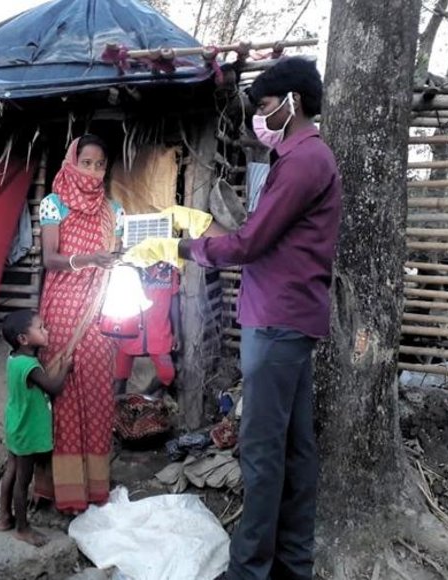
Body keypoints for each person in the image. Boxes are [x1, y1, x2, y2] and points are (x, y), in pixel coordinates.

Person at [181, 57, 341, 580]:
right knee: (294, 450)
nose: (261, 117)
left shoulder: (302, 162)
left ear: (292, 103)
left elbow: (252, 242)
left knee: (262, 452)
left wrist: (188, 247)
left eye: (267, 107)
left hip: (276, 321)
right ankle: (293, 564)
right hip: (287, 318)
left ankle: (249, 570)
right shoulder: (302, 160)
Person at [37, 133, 124, 513]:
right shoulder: (52, 204)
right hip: (62, 308)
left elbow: (118, 254)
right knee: (64, 394)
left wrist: (118, 257)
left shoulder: (114, 210)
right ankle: (59, 489)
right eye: (86, 162)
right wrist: (89, 259)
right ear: (72, 162)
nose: (92, 171)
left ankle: (93, 486)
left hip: (99, 309)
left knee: (97, 392)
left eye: (99, 164)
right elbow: (50, 259)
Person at [0, 310, 71, 546]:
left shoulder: (14, 358)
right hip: (27, 429)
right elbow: (54, 388)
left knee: (11, 471)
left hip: (15, 424)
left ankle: (4, 517)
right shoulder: (31, 366)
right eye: (41, 328)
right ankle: (22, 527)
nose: (46, 331)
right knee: (23, 480)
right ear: (23, 339)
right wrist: (66, 369)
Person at [112, 261, 181, 397]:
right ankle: (116, 413)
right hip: (129, 333)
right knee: (118, 378)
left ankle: (140, 399)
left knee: (168, 374)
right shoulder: (129, 267)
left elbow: (174, 300)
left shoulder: (168, 269)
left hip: (159, 334)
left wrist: (177, 332)